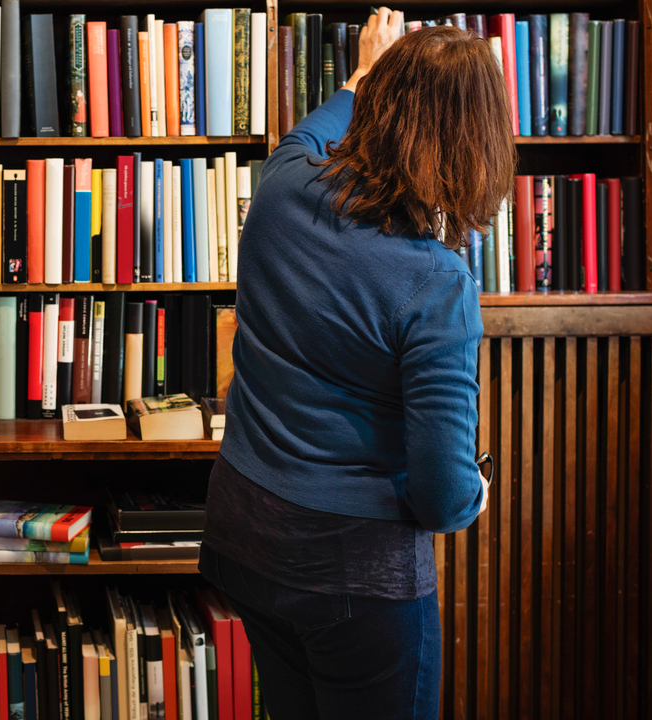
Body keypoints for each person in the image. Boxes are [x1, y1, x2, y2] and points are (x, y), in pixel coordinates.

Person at [200, 10, 512, 719]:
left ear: (373, 111)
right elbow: (440, 496)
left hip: (245, 538)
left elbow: (311, 131)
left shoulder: (281, 185)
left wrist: (367, 73)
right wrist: (476, 495)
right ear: (477, 148)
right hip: (355, 583)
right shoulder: (435, 283)